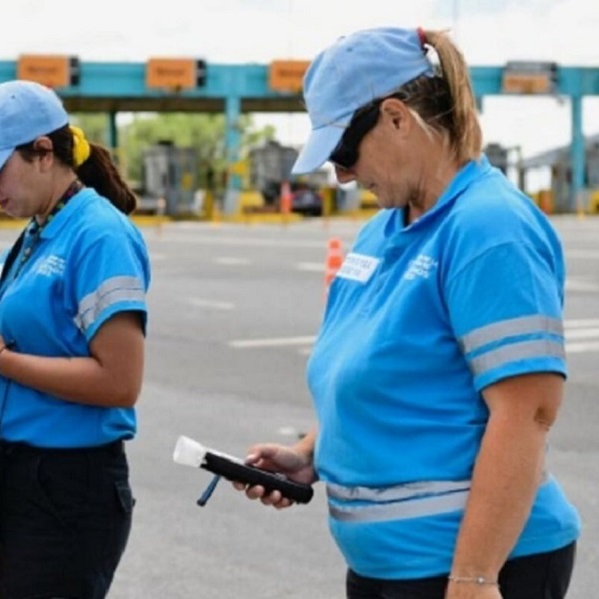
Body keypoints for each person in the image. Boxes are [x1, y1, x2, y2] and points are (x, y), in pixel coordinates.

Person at [233, 27, 580, 599]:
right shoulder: (381, 232)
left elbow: (528, 413)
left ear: (396, 118)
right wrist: (310, 453)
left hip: (470, 568)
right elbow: (389, 378)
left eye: (344, 151)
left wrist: (474, 578)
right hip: (392, 570)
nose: (341, 174)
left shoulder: (488, 227)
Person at [0, 80, 150, 599]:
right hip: (10, 475)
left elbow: (120, 381)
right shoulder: (38, 230)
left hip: (66, 486)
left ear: (43, 152)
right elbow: (19, 346)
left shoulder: (99, 234)